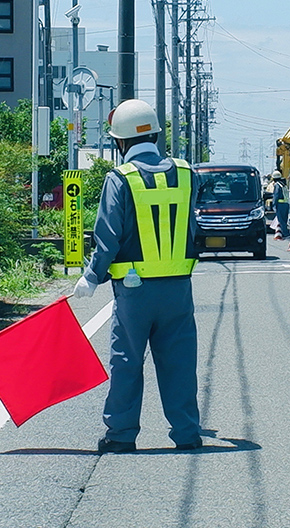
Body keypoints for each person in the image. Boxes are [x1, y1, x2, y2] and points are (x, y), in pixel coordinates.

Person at [72, 98, 202, 454]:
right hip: (178, 288)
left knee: (127, 360)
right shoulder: (187, 173)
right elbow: (191, 227)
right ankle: (187, 433)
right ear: (156, 135)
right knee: (179, 361)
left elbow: (108, 236)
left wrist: (92, 276)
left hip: (134, 291)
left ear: (120, 142)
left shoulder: (120, 179)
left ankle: (121, 435)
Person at [272, 170, 289, 234]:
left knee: (281, 220)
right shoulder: (283, 184)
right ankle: (285, 232)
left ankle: (285, 233)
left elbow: (276, 195)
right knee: (284, 219)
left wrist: (274, 204)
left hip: (280, 204)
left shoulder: (277, 185)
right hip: (286, 204)